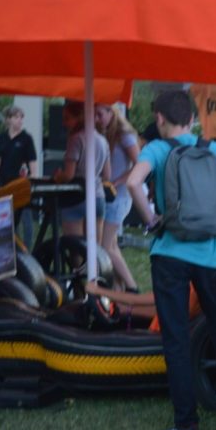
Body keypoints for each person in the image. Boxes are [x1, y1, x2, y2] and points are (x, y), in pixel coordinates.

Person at [126, 89, 216, 430]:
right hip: (211, 256)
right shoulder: (214, 150)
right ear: (192, 119)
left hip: (169, 255)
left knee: (176, 339)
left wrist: (151, 219)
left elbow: (132, 182)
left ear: (159, 118)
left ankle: (186, 427)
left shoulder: (157, 150)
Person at [95, 104, 140, 293]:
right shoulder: (106, 133)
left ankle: (132, 288)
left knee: (105, 248)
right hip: (110, 196)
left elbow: (140, 164)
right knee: (111, 246)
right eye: (94, 115)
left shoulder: (124, 135)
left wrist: (118, 181)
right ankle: (119, 289)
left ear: (111, 112)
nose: (96, 119)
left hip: (119, 197)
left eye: (100, 114)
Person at [54, 100, 111, 241]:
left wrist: (58, 176)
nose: (64, 123)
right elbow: (107, 175)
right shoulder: (103, 140)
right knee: (95, 249)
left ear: (79, 117)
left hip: (76, 198)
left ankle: (77, 259)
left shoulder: (76, 139)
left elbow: (69, 175)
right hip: (98, 197)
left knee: (75, 247)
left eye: (67, 118)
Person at [0, 105, 38, 248]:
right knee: (9, 219)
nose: (20, 120)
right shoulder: (2, 137)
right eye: (16, 117)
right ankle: (13, 248)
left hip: (21, 184)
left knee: (26, 218)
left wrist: (32, 180)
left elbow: (33, 163)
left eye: (21, 117)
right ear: (8, 119)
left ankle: (27, 249)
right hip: (5, 183)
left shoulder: (26, 138)